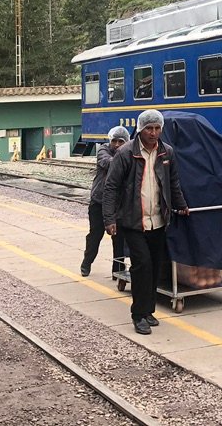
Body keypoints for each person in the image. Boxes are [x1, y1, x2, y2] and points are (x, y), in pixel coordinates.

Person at [103, 109, 188, 335]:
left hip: (158, 220)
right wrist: (109, 219)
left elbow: (173, 182)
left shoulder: (167, 152)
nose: (153, 132)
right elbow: (111, 187)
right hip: (133, 220)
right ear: (140, 129)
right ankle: (138, 314)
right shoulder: (125, 153)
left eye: (157, 128)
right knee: (142, 266)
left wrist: (181, 205)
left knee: (155, 267)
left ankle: (149, 310)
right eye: (149, 128)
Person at [80, 126, 129, 278]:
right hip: (99, 202)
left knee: (119, 239)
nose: (117, 144)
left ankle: (117, 271)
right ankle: (86, 263)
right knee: (95, 235)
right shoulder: (103, 150)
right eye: (114, 141)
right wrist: (125, 157)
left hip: (118, 204)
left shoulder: (126, 154)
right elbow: (107, 163)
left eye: (121, 142)